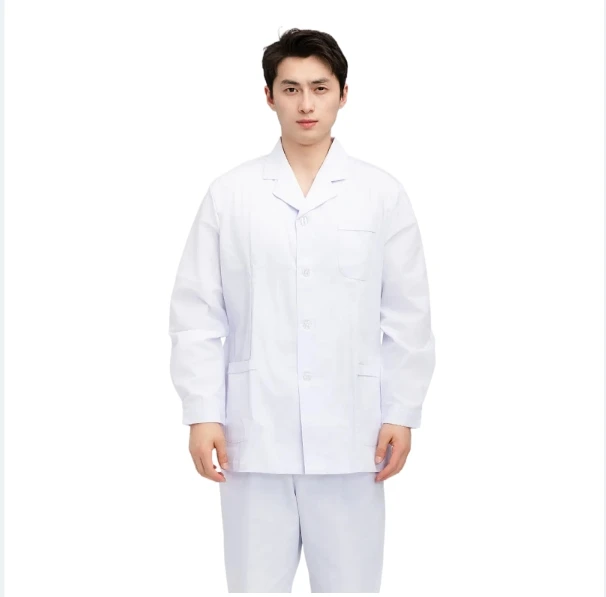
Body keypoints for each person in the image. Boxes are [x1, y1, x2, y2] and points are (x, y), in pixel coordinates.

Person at [168, 27, 436, 593]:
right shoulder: (231, 194)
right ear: (269, 97)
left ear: (343, 94)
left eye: (320, 87)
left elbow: (407, 315)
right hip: (252, 435)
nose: (306, 104)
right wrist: (202, 412)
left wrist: (402, 410)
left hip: (353, 435)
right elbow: (197, 313)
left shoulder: (380, 194)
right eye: (291, 89)